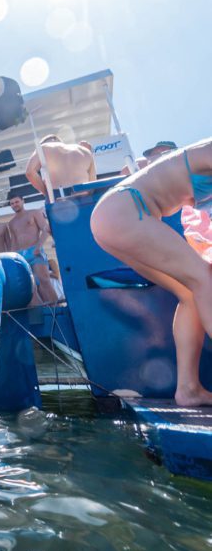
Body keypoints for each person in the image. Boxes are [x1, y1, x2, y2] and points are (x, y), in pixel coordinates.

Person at [91, 137, 212, 407]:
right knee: (204, 278)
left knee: (191, 292)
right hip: (126, 210)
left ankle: (189, 389)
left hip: (116, 215)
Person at [8, 191, 58, 303]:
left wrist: (38, 247)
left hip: (34, 250)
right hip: (20, 254)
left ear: (22, 201)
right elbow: (14, 241)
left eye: (17, 202)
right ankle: (43, 312)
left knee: (44, 280)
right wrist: (13, 256)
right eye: (12, 203)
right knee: (31, 286)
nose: (15, 204)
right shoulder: (11, 223)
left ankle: (57, 308)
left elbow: (46, 229)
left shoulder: (34, 213)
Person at [25, 134, 96, 196]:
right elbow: (93, 184)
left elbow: (29, 172)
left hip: (59, 198)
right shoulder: (84, 150)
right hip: (84, 196)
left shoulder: (43, 148)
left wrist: (46, 193)